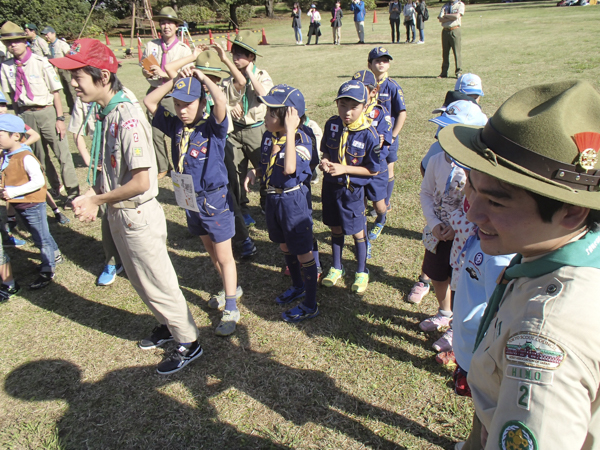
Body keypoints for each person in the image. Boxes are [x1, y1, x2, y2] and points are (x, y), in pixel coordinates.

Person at [439, 79, 600, 450]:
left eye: (496, 201)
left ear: (572, 211)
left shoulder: (546, 333)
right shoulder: (544, 254)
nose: (471, 209)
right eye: (472, 186)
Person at [51, 38, 202, 375]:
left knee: (158, 281)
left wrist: (96, 199)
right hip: (120, 212)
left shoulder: (127, 116)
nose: (73, 84)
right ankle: (168, 325)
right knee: (140, 279)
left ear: (103, 76)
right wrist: (95, 191)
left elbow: (141, 182)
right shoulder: (106, 111)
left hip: (136, 214)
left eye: (78, 76)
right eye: (71, 76)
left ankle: (189, 341)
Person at [144, 66, 241, 337]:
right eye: (177, 104)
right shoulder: (175, 124)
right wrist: (174, 81)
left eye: (188, 104)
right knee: (210, 251)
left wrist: (202, 78)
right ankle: (228, 288)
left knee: (225, 255)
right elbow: (150, 101)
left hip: (213, 199)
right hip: (188, 196)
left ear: (202, 103)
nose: (182, 110)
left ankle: (231, 306)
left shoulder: (213, 127)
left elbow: (221, 101)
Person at [244, 85, 319, 322]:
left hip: (293, 200)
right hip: (273, 197)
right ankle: (297, 285)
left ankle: (310, 303)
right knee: (284, 245)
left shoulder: (303, 137)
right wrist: (254, 171)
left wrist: (289, 131)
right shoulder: (268, 135)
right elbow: (268, 162)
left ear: (290, 115)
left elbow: (289, 168)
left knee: (303, 251)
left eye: (270, 113)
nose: (265, 117)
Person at [0, 22, 80, 210]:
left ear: (25, 41)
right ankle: (54, 187)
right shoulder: (6, 67)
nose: (13, 45)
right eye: (9, 43)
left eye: (17, 41)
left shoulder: (40, 62)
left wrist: (60, 119)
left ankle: (73, 193)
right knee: (39, 157)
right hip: (25, 115)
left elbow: (55, 93)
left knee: (62, 154)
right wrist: (18, 119)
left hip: (46, 112)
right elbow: (11, 96)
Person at [319, 80, 380, 293]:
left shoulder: (369, 135)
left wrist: (344, 169)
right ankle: (337, 267)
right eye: (342, 105)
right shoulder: (332, 125)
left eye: (353, 107)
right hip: (330, 188)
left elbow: (373, 170)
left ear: (364, 106)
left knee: (356, 232)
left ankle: (362, 271)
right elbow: (326, 149)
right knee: (335, 228)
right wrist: (325, 161)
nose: (347, 112)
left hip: (351, 192)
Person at [0, 114, 62, 290]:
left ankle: (48, 269)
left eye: (0, 134)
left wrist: (12, 191)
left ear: (16, 136)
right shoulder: (6, 155)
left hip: (32, 204)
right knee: (40, 233)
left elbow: (38, 182)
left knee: (40, 237)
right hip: (21, 204)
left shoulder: (25, 157)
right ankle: (55, 256)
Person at [225, 31, 274, 230]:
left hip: (257, 129)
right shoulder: (229, 78)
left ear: (251, 57)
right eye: (233, 54)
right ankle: (242, 209)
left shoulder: (262, 76)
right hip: (235, 131)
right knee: (236, 172)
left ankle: (266, 202)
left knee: (265, 167)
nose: (235, 58)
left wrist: (250, 74)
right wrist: (230, 106)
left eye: (240, 55)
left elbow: (265, 96)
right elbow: (221, 100)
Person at [142, 6, 192, 178]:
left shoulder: (183, 50)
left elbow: (186, 76)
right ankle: (163, 166)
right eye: (162, 23)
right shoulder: (151, 46)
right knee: (155, 132)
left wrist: (165, 74)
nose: (166, 26)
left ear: (176, 26)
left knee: (176, 131)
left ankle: (180, 163)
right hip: (154, 91)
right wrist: (147, 72)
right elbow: (144, 66)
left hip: (174, 94)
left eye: (169, 23)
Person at [351, 69, 393, 259]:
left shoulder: (380, 113)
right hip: (357, 169)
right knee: (360, 208)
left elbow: (386, 142)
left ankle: (382, 219)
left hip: (377, 169)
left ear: (373, 91)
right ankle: (365, 241)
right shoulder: (352, 113)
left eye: (364, 90)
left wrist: (378, 145)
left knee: (379, 206)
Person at [367, 47, 407, 223]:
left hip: (387, 137)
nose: (382, 63)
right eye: (377, 60)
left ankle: (385, 201)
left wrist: (393, 136)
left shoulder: (392, 86)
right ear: (370, 64)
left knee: (388, 168)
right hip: (368, 136)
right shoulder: (365, 86)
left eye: (385, 60)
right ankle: (371, 197)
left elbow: (402, 113)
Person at [40, 26, 77, 113]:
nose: (46, 36)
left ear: (53, 33)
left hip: (66, 69)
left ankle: (76, 109)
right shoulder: (50, 46)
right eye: (45, 35)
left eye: (47, 34)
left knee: (72, 90)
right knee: (65, 90)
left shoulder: (62, 44)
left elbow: (70, 56)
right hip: (58, 70)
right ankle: (71, 108)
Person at [437, 0, 465, 78]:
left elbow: (456, 16)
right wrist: (451, 17)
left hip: (455, 30)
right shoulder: (445, 6)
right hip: (445, 31)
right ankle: (444, 72)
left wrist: (446, 16)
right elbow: (440, 19)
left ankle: (458, 72)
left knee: (457, 52)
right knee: (445, 53)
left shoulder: (460, 5)